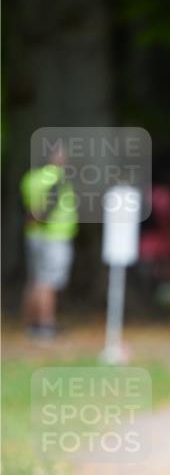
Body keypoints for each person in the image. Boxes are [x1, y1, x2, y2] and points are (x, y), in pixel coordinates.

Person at [21, 142, 78, 339]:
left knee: (35, 280)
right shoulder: (57, 177)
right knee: (48, 281)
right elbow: (50, 204)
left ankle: (32, 324)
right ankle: (46, 324)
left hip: (34, 234)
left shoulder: (31, 178)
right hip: (53, 235)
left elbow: (29, 207)